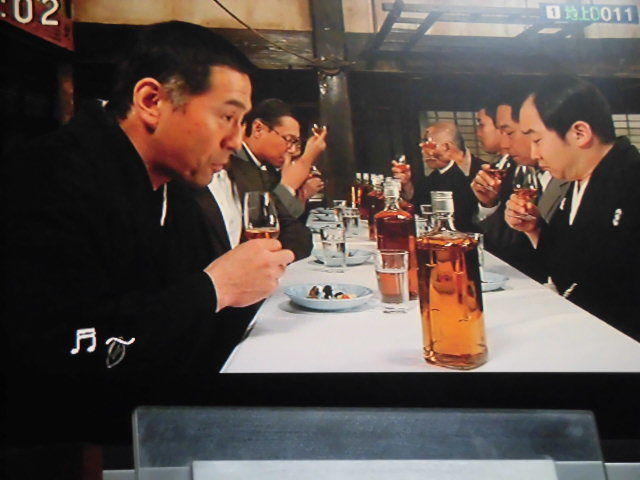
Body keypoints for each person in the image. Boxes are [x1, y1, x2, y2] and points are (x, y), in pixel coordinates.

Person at [2, 21, 294, 444]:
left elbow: (187, 328)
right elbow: (55, 356)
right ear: (152, 101)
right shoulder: (47, 178)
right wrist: (216, 289)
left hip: (164, 424)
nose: (235, 141)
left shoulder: (173, 190)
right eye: (227, 117)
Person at [506, 76, 640, 340]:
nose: (534, 154)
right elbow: (567, 260)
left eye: (537, 140)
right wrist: (535, 229)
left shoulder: (631, 182)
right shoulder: (578, 181)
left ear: (580, 133)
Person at [470, 88, 569, 281]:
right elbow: (510, 245)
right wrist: (489, 204)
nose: (504, 145)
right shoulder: (517, 171)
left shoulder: (570, 174)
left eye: (509, 132)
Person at [230, 98, 327, 221]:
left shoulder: (265, 167)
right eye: (288, 139)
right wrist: (290, 181)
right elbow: (263, 221)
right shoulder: (232, 162)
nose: (291, 150)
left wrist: (302, 194)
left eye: (295, 142)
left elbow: (290, 219)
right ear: (258, 129)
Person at [395, 121, 483, 232]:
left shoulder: (480, 173)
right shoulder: (434, 176)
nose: (423, 152)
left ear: (447, 147)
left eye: (427, 145)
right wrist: (407, 185)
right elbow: (419, 208)